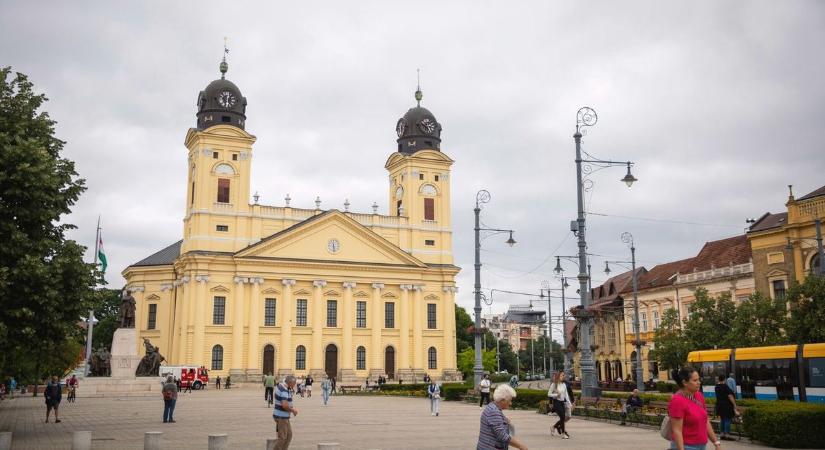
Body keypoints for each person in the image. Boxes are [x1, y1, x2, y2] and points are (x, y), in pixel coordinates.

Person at [669, 368, 722, 450]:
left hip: (701, 445)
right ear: (685, 382)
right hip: (685, 446)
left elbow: (705, 421)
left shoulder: (699, 396)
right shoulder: (677, 401)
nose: (699, 382)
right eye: (695, 380)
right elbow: (677, 431)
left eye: (699, 379)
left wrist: (716, 442)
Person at [477, 384, 529, 450]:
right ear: (502, 400)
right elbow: (502, 435)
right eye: (509, 400)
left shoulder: (492, 406)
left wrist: (504, 421)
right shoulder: (494, 412)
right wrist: (521, 446)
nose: (510, 403)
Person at [272, 375, 299, 450]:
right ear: (290, 382)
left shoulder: (281, 386)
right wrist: (293, 410)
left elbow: (276, 396)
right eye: (294, 383)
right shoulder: (284, 390)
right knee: (283, 437)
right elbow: (284, 405)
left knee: (289, 435)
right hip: (282, 417)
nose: (295, 385)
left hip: (282, 416)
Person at [715, 375, 740, 441]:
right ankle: (727, 435)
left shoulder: (716, 387)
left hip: (720, 406)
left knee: (722, 420)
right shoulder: (725, 386)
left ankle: (722, 434)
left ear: (719, 379)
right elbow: (730, 396)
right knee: (727, 420)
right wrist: (734, 405)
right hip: (727, 406)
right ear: (725, 379)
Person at [548, 371, 572, 439]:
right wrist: (556, 395)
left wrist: (569, 403)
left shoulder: (564, 384)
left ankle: (553, 427)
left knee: (563, 418)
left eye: (563, 375)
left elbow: (566, 395)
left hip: (562, 403)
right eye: (562, 375)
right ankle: (563, 433)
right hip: (556, 402)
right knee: (562, 417)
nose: (563, 376)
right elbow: (549, 394)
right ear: (558, 376)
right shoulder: (554, 384)